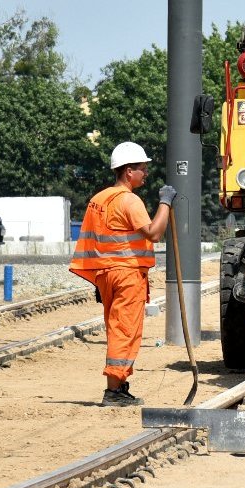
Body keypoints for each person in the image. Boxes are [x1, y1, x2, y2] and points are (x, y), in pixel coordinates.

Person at [70, 141, 175, 406]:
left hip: (106, 274)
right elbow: (153, 232)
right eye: (142, 169)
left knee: (115, 327)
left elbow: (96, 241)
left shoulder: (98, 200)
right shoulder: (129, 200)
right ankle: (113, 391)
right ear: (128, 171)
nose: (145, 173)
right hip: (127, 274)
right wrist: (165, 203)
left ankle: (119, 385)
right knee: (124, 330)